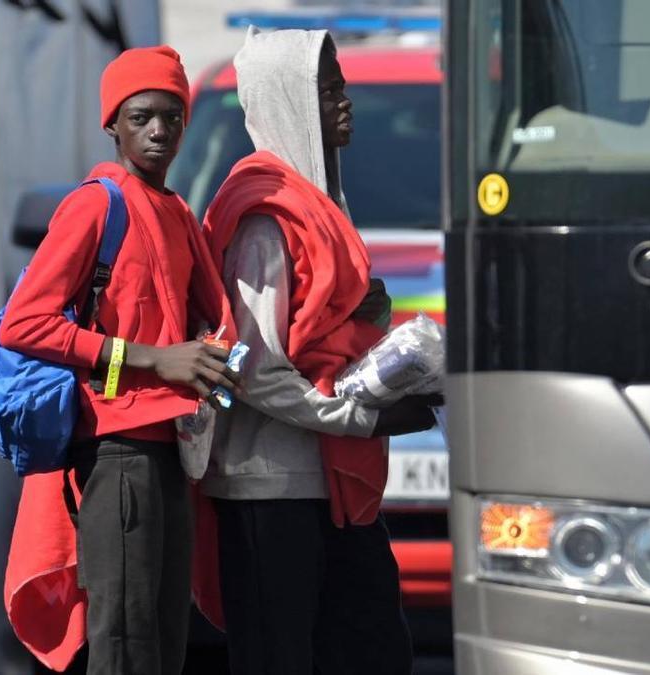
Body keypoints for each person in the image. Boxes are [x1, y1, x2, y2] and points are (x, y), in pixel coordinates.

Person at [199, 28, 441, 675]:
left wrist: (376, 319)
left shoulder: (319, 205)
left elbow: (319, 323)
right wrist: (358, 415)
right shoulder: (267, 216)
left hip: (326, 483)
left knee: (373, 650)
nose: (345, 101)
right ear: (288, 100)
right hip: (270, 486)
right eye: (327, 88)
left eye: (341, 86)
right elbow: (247, 365)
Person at [0, 45, 238, 675]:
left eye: (172, 117)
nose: (159, 131)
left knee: (163, 639)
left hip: (173, 450)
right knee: (124, 641)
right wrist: (153, 360)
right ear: (113, 125)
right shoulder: (95, 204)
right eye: (141, 117)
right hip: (116, 452)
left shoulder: (180, 211)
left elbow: (210, 322)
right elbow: (23, 324)